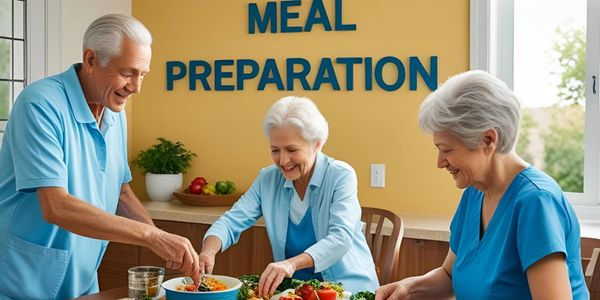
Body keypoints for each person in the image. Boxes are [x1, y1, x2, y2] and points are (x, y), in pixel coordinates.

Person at [0, 14, 199, 299]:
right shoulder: (40, 104)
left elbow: (121, 192)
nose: (136, 86)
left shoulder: (115, 114)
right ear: (91, 60)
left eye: (142, 74)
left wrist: (161, 239)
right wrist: (152, 237)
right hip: (24, 282)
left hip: (82, 281)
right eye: (128, 72)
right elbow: (55, 206)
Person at [376, 70, 589, 299]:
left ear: (488, 140)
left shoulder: (536, 202)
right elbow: (449, 276)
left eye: (447, 150)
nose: (439, 163)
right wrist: (409, 289)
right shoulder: (474, 193)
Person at [199, 96, 379, 295]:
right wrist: (208, 251)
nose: (283, 160)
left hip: (348, 291)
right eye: (275, 150)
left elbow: (340, 238)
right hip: (294, 292)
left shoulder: (340, 175)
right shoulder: (267, 179)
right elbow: (232, 221)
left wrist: (290, 265)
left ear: (317, 144)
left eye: (292, 150)